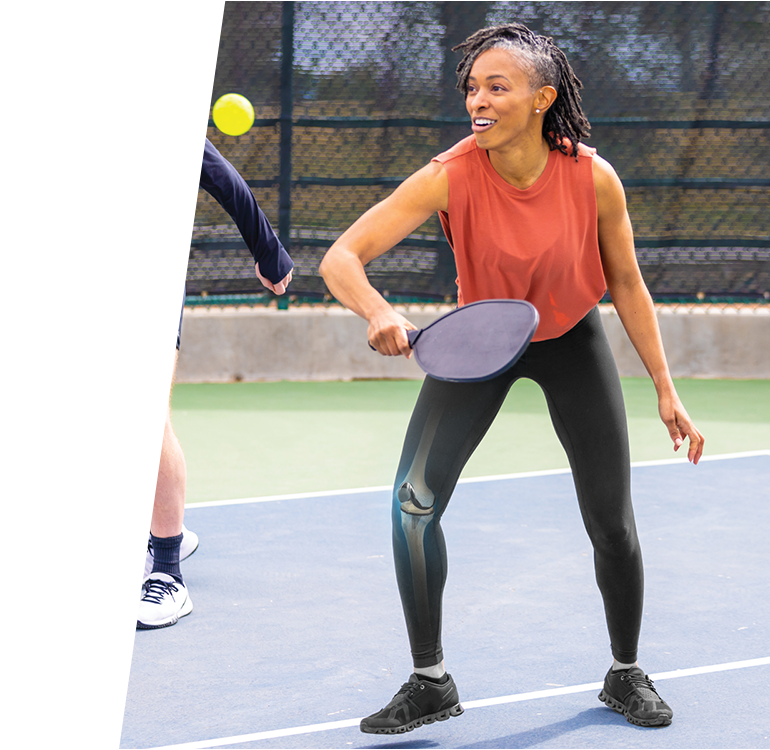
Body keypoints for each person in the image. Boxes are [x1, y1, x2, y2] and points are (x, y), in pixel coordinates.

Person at [320, 23, 704, 733]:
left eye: (497, 86)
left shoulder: (591, 177)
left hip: (571, 340)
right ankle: (429, 680)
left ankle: (625, 672)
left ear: (541, 98)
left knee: (611, 523)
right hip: (481, 343)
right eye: (471, 87)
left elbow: (626, 283)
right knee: (411, 507)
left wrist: (664, 386)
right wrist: (376, 310)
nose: (479, 100)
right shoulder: (448, 173)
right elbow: (341, 257)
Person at [119, 81, 293, 629]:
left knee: (143, 415)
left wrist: (266, 247)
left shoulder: (134, 111)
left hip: (143, 270)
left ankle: (169, 576)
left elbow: (213, 168)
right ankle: (159, 530)